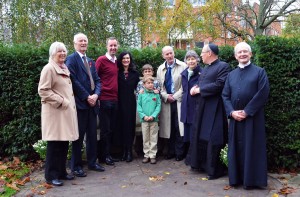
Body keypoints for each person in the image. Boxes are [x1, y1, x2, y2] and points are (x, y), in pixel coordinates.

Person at [222, 42, 269, 189]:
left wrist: (247, 111)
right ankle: (236, 179)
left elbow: (263, 93)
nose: (242, 54)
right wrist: (231, 112)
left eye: (245, 52)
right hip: (235, 119)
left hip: (253, 119)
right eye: (239, 52)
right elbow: (225, 95)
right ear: (236, 56)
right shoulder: (231, 75)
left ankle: (253, 181)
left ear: (250, 54)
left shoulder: (259, 72)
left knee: (252, 148)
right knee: (236, 148)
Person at [38, 41, 79, 186]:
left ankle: (61, 172)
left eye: (64, 51)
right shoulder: (49, 69)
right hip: (55, 114)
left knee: (63, 143)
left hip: (63, 114)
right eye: (59, 51)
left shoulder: (63, 67)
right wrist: (61, 101)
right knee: (54, 144)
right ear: (52, 54)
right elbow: (43, 91)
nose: (62, 54)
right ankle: (50, 175)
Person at [66, 33, 105, 177]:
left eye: (85, 41)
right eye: (80, 41)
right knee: (78, 136)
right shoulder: (71, 59)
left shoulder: (90, 61)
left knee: (92, 135)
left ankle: (92, 162)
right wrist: (87, 96)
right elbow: (73, 80)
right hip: (80, 104)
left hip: (92, 104)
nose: (83, 43)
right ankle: (75, 166)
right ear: (74, 43)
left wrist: (96, 95)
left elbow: (98, 80)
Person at [190, 43, 231, 180]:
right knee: (201, 135)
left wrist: (200, 90)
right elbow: (203, 82)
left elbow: (220, 84)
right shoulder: (206, 68)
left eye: (202, 52)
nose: (200, 55)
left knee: (214, 136)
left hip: (215, 108)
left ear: (209, 53)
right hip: (203, 107)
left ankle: (214, 169)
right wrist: (195, 86)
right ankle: (201, 164)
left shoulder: (223, 66)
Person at [156, 46, 187, 161]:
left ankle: (179, 152)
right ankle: (170, 151)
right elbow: (160, 86)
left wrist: (175, 96)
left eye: (171, 53)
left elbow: (185, 85)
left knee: (179, 127)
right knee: (168, 128)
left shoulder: (183, 66)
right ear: (163, 56)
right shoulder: (160, 69)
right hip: (167, 101)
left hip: (179, 100)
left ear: (174, 53)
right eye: (167, 54)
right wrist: (165, 96)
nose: (169, 56)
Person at [95, 37, 119, 166]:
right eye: (111, 46)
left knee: (111, 129)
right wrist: (96, 96)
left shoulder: (116, 61)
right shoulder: (101, 60)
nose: (113, 48)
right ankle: (104, 156)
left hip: (115, 99)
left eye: (115, 45)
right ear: (107, 46)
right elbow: (94, 77)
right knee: (105, 129)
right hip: (104, 99)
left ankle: (108, 154)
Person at [116, 51, 140, 162]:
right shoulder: (117, 72)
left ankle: (129, 151)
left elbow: (139, 88)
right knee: (120, 126)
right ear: (120, 60)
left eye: (128, 58)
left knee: (130, 127)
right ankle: (123, 151)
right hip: (119, 103)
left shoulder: (135, 73)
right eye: (124, 58)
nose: (126, 60)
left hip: (130, 103)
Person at [180, 50, 202, 165]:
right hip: (186, 106)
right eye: (188, 59)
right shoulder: (183, 73)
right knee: (187, 134)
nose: (191, 61)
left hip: (195, 107)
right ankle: (188, 156)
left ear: (197, 60)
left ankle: (194, 158)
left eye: (193, 58)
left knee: (195, 133)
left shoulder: (201, 73)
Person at [137, 76, 161, 164]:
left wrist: (153, 116)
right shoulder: (141, 94)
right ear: (144, 85)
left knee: (153, 138)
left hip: (154, 120)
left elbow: (158, 106)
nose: (151, 85)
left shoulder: (156, 94)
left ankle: (153, 155)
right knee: (146, 138)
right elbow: (139, 106)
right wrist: (143, 116)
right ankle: (146, 155)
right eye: (148, 83)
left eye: (152, 83)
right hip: (144, 121)